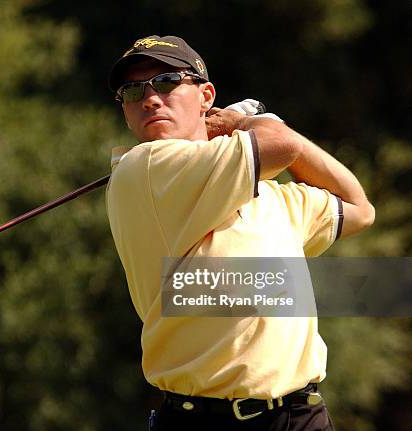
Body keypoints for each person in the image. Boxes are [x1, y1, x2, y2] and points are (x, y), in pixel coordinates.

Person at [105, 35, 375, 430]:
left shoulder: (272, 197)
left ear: (205, 96)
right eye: (131, 91)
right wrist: (245, 124)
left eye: (165, 82)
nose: (148, 98)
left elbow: (359, 208)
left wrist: (253, 133)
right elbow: (280, 144)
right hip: (204, 420)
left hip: (301, 415)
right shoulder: (144, 167)